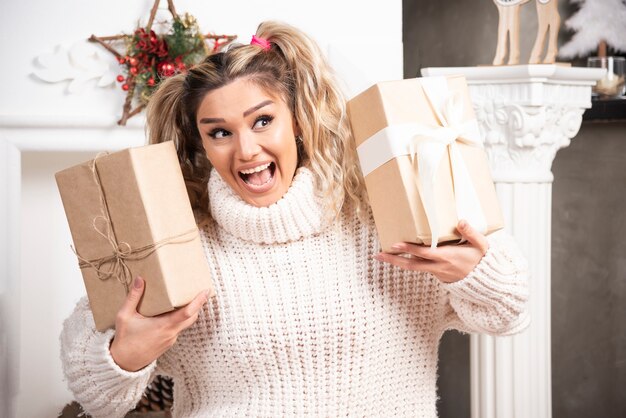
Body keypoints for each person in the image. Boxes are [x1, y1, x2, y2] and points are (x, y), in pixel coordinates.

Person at [60, 21, 529, 417]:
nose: (246, 150)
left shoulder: (385, 220)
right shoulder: (178, 250)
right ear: (202, 145)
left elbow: (511, 313)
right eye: (220, 132)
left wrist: (476, 273)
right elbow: (94, 393)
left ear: (298, 121)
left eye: (263, 121)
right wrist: (125, 356)